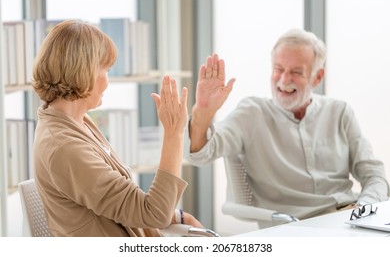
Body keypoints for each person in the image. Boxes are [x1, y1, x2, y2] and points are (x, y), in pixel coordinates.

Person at [184, 28, 390, 224]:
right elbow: (200, 154)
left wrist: (365, 208)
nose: (284, 80)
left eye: (296, 72)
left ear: (317, 77)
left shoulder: (339, 111)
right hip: (295, 226)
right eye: (278, 69)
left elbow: (373, 173)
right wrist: (203, 111)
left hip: (349, 217)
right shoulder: (252, 113)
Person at [32, 19, 202, 237]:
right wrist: (174, 134)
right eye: (106, 70)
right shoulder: (66, 147)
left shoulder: (76, 122)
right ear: (83, 71)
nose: (108, 82)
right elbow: (152, 214)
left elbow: (124, 205)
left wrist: (178, 216)